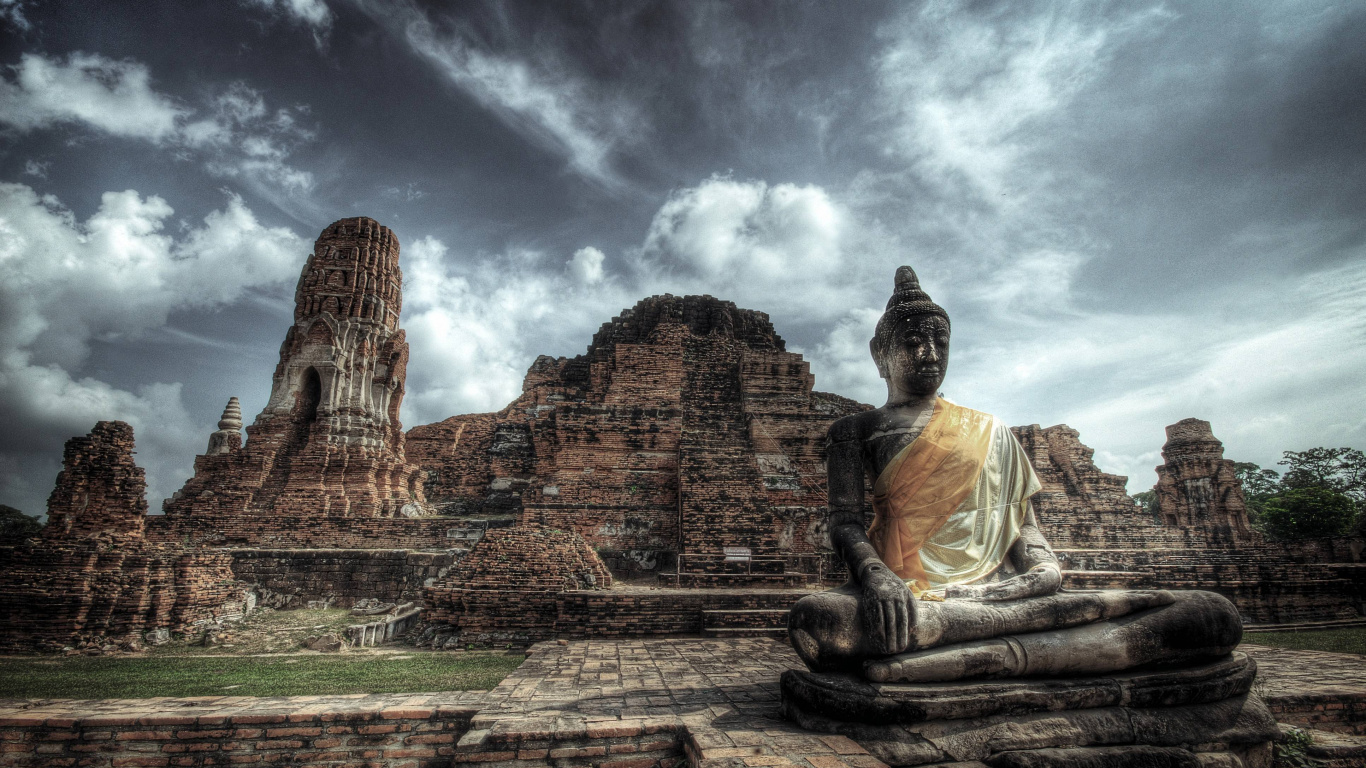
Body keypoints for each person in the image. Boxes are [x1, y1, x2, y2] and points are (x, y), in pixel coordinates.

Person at [788, 266, 1241, 682]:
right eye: (911, 342)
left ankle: (947, 659)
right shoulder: (855, 431)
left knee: (1211, 614)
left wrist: (1043, 567)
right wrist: (876, 576)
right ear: (879, 352)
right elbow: (843, 522)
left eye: (940, 342)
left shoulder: (993, 430)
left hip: (1005, 594)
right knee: (823, 621)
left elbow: (1024, 527)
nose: (928, 354)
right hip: (908, 591)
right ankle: (1058, 651)